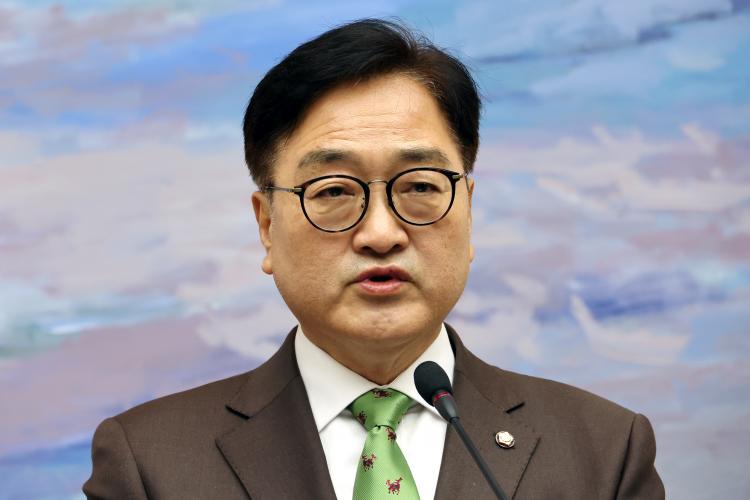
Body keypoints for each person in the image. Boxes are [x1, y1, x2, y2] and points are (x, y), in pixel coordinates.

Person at [83, 19, 664, 499]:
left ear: (468, 209)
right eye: (334, 191)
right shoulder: (150, 464)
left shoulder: (602, 451)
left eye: (420, 186)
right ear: (267, 227)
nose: (381, 234)